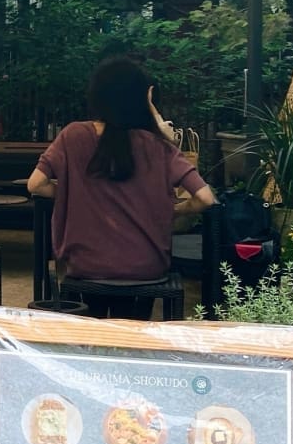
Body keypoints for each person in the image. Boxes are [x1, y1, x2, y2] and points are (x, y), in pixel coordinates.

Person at [27, 57, 217, 319]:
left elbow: (35, 184)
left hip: (85, 266)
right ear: (144, 99)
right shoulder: (158, 146)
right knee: (130, 324)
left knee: (90, 327)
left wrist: (72, 192)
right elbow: (206, 198)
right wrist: (175, 209)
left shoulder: (73, 135)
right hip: (146, 268)